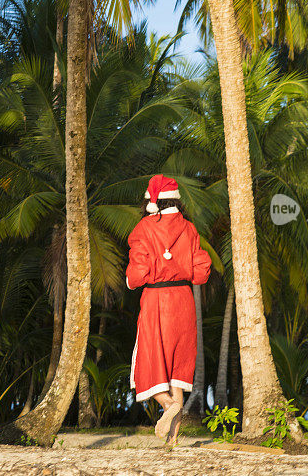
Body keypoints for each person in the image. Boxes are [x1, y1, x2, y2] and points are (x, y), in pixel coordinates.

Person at [126, 174, 211, 446]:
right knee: (178, 367)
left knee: (148, 362)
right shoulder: (189, 228)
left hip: (156, 300)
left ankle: (168, 404)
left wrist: (132, 280)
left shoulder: (144, 228)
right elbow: (201, 272)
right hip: (183, 299)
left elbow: (137, 274)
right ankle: (172, 440)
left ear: (152, 201)